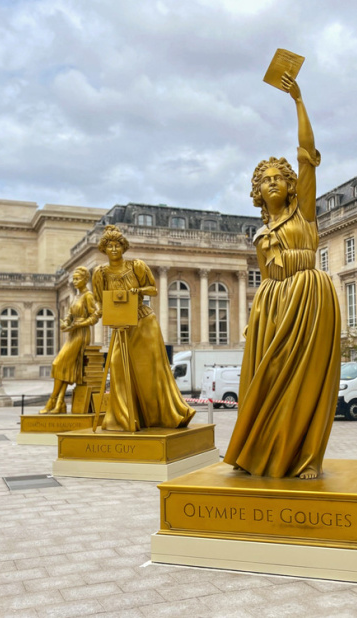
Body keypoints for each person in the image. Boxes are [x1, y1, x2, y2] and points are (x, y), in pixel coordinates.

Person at [223, 73, 341, 480]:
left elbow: (307, 154)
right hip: (272, 301)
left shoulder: (303, 212)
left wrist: (298, 101)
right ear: (257, 191)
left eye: (278, 177)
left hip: (308, 293)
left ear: (291, 186)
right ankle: (260, 450)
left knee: (304, 377)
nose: (272, 182)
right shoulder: (260, 233)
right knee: (267, 374)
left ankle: (305, 456)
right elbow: (265, 275)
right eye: (264, 180)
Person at [92, 225, 195, 431]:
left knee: (150, 371)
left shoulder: (136, 265)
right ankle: (124, 418)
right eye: (110, 246)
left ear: (123, 247)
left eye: (117, 245)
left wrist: (138, 290)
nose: (114, 249)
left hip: (143, 321)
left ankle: (158, 416)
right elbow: (99, 300)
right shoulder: (100, 273)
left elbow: (153, 289)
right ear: (104, 249)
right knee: (117, 366)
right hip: (121, 325)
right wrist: (100, 312)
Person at [40, 266, 99, 414]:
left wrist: (81, 323)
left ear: (85, 279)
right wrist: (65, 322)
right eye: (74, 279)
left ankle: (52, 400)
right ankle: (59, 403)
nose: (75, 281)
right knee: (65, 367)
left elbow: (95, 316)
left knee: (58, 363)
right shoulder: (76, 296)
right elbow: (69, 315)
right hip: (72, 333)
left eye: (77, 279)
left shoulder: (88, 296)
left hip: (81, 334)